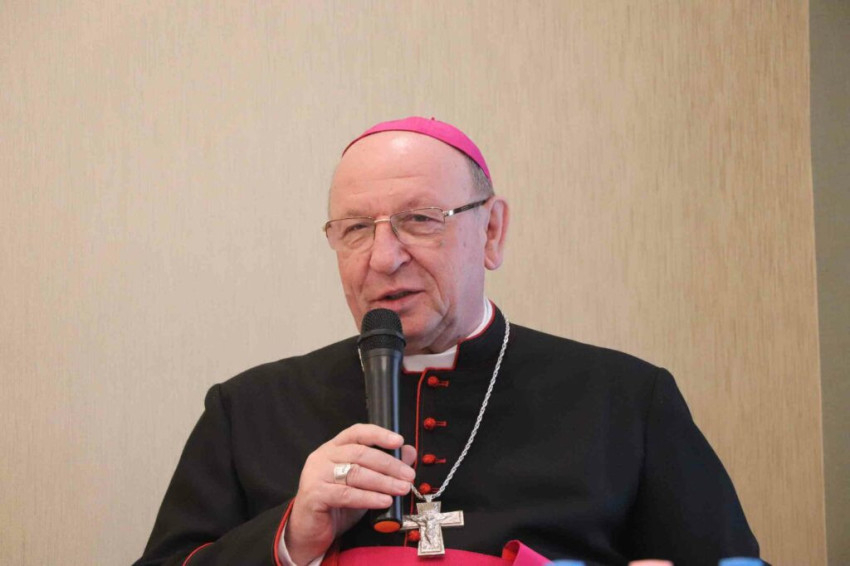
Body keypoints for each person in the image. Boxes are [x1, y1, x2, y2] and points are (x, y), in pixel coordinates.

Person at [134, 117, 763, 566]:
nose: (383, 257)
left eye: (419, 220)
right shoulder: (246, 409)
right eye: (356, 229)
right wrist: (292, 538)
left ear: (491, 231)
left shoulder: (627, 399)